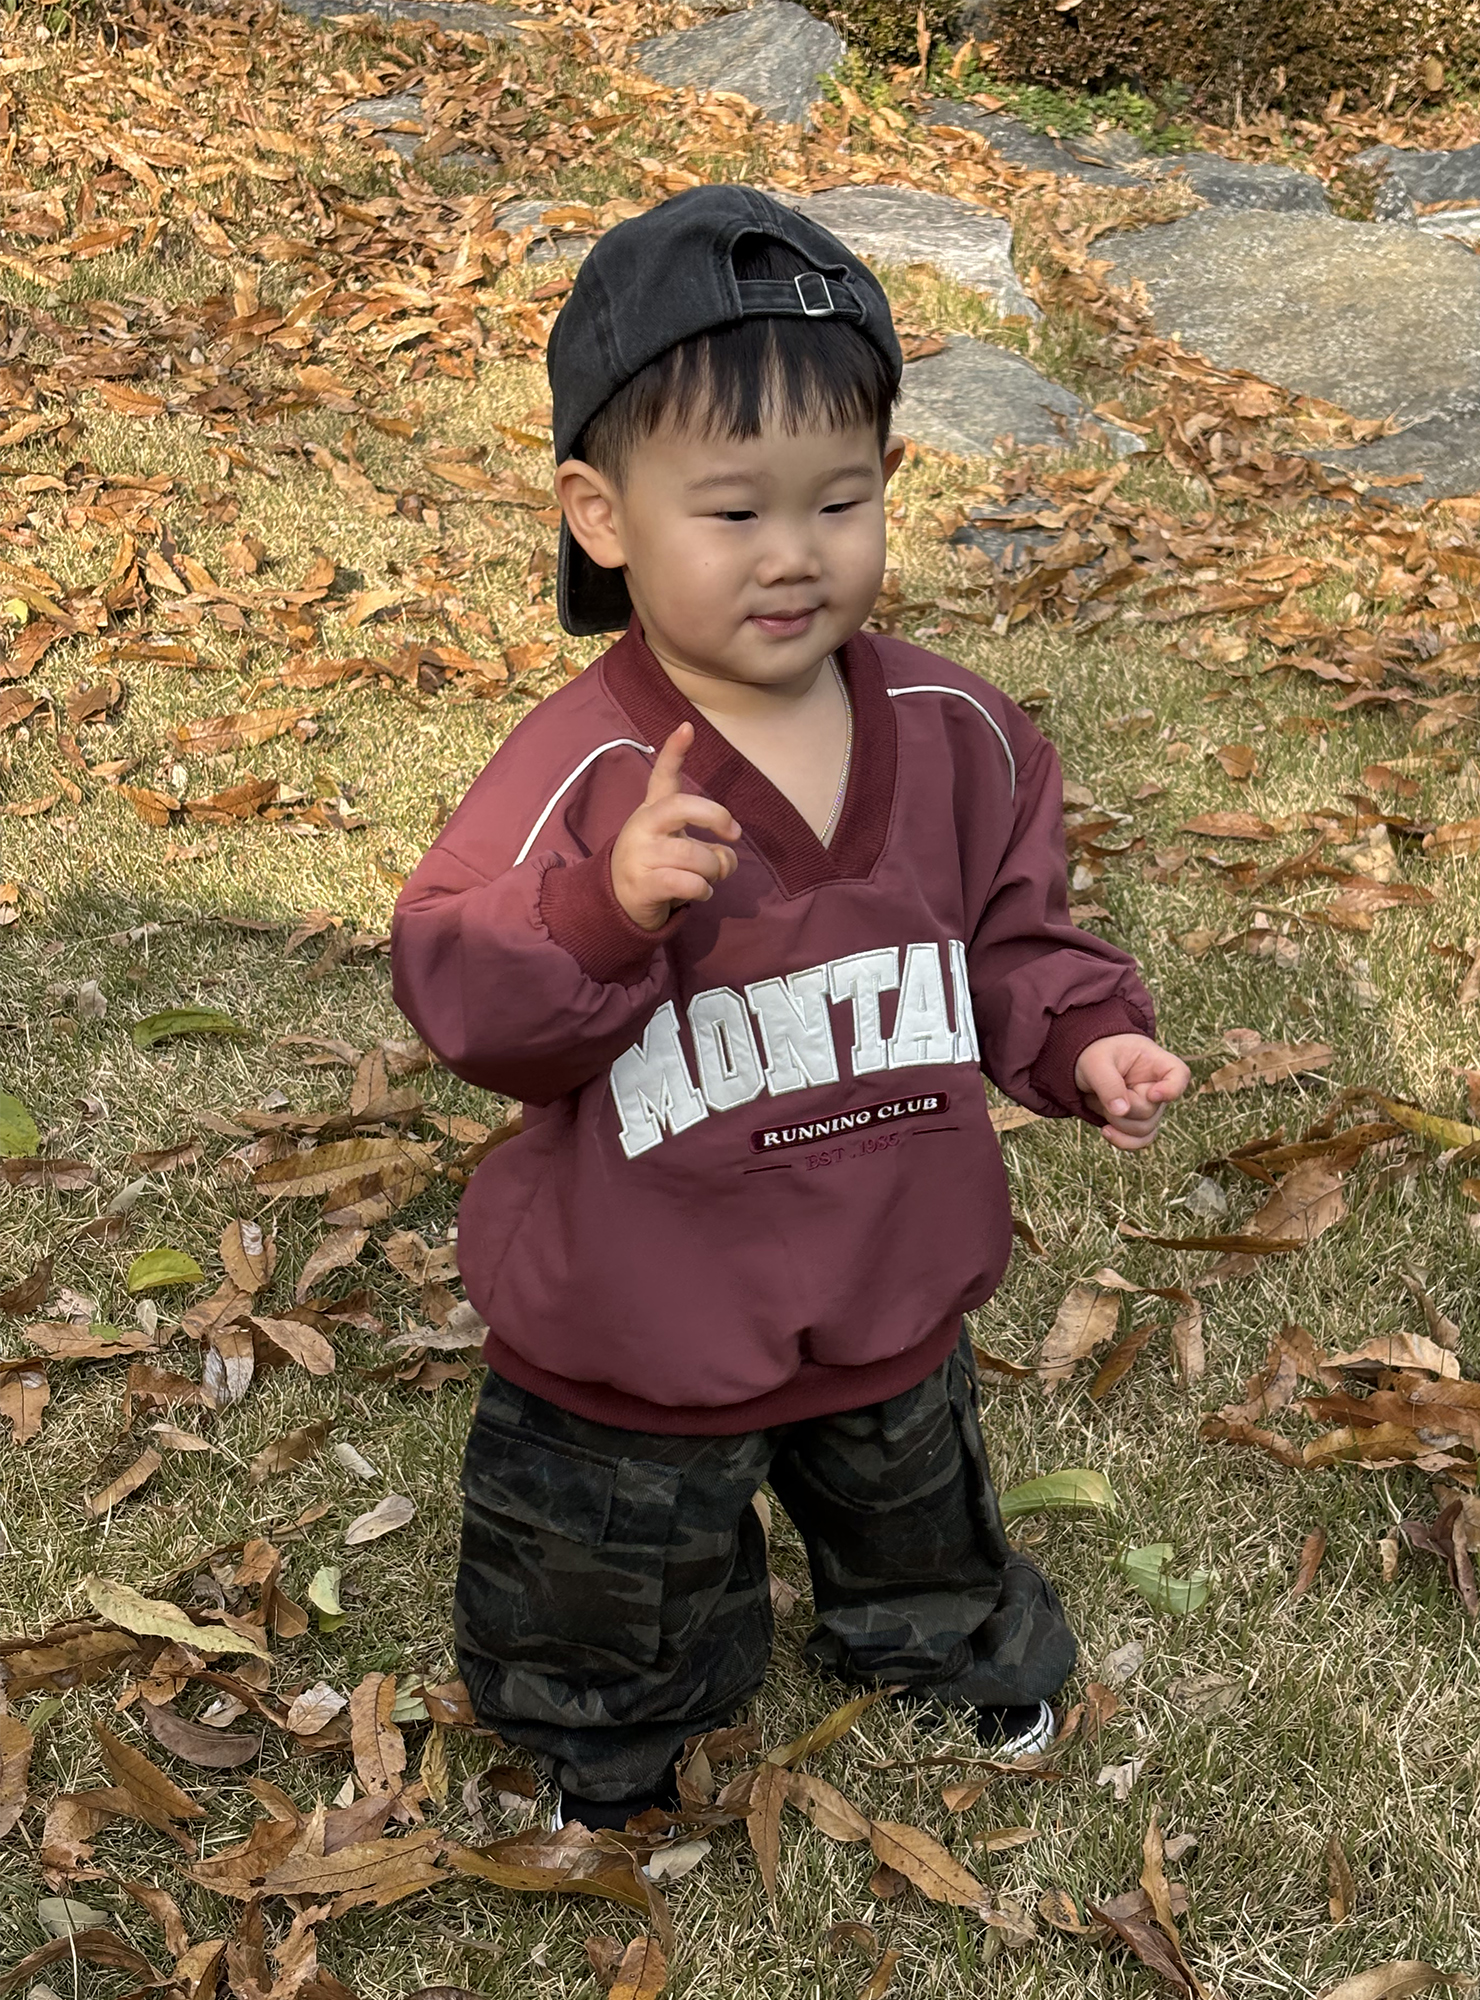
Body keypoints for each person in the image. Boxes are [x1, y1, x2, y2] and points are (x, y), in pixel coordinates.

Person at [390, 184, 1190, 1831]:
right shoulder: (585, 771)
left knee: (918, 1515)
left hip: (886, 1278)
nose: (793, 554)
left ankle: (941, 1644)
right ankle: (609, 1743)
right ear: (601, 515)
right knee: (606, 1578)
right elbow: (465, 996)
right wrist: (598, 910)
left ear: (890, 477)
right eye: (733, 510)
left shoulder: (962, 732)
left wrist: (1082, 1035)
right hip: (640, 1316)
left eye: (839, 500)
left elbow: (1012, 938)